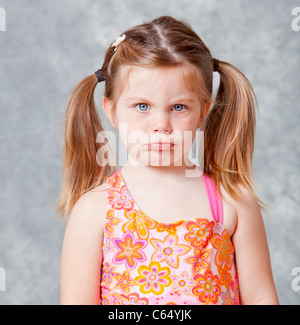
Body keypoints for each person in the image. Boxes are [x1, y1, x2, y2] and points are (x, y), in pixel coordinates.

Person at [57, 16, 279, 305]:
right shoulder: (95, 210)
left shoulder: (232, 202)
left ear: (203, 111)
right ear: (111, 111)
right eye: (142, 106)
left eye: (178, 107)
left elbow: (262, 299)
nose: (161, 124)